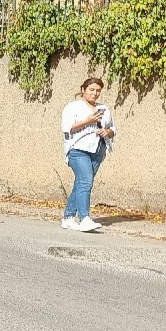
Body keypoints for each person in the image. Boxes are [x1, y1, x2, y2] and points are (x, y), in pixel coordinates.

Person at [60, 77, 116, 232]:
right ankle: (84, 218)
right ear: (83, 90)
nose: (95, 93)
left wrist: (107, 131)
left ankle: (68, 217)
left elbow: (113, 129)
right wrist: (88, 120)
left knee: (81, 183)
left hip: (98, 150)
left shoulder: (104, 108)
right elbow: (67, 128)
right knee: (86, 182)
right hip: (78, 149)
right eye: (91, 90)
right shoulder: (73, 107)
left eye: (98, 90)